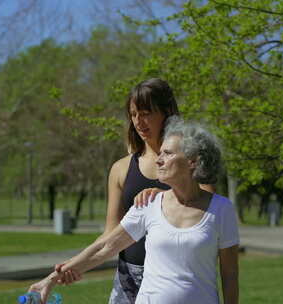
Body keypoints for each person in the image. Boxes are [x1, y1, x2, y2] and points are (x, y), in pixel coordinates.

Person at [28, 117, 239, 304]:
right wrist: (52, 279)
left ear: (192, 161)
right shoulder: (149, 204)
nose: (158, 159)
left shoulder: (221, 209)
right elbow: (107, 246)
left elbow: (229, 274)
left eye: (167, 153)